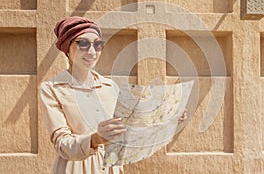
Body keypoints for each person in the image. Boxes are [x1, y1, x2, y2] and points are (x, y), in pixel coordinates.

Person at [40, 16, 188, 174]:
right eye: (82, 43)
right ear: (66, 48)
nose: (91, 52)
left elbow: (129, 132)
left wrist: (166, 120)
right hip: (75, 168)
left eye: (97, 44)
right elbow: (62, 144)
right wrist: (95, 139)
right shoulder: (51, 89)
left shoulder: (110, 87)